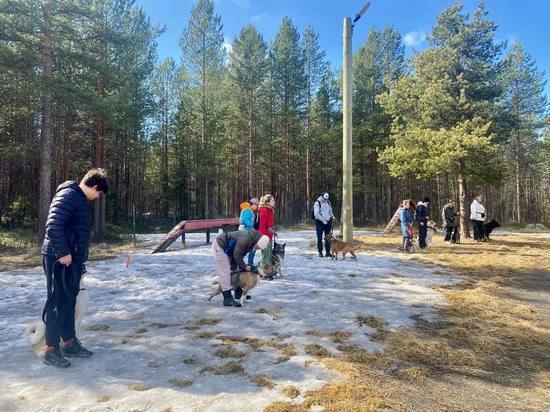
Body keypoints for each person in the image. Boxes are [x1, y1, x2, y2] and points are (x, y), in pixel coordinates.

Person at [40, 168, 109, 368]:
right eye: (99, 193)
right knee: (57, 302)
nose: (98, 197)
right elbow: (53, 225)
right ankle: (51, 350)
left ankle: (69, 342)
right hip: (57, 258)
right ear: (94, 187)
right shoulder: (69, 195)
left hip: (71, 260)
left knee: (70, 301)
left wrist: (79, 260)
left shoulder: (79, 198)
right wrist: (63, 252)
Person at [212, 229, 270, 307]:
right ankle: (227, 298)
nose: (257, 249)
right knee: (225, 271)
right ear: (258, 242)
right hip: (220, 246)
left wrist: (241, 266)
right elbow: (237, 255)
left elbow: (239, 255)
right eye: (258, 247)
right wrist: (245, 266)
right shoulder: (246, 239)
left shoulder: (252, 241)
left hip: (230, 250)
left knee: (235, 268)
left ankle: (238, 292)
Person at [239, 198, 260, 271]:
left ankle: (249, 263)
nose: (257, 207)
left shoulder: (248, 209)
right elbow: (245, 220)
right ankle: (249, 263)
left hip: (246, 231)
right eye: (257, 205)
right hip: (246, 231)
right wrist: (251, 225)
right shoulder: (248, 210)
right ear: (254, 204)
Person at [258, 194, 276, 280]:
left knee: (268, 254)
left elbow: (269, 224)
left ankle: (264, 272)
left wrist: (272, 232)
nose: (274, 202)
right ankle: (267, 273)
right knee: (266, 255)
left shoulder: (270, 210)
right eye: (272, 200)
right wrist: (265, 237)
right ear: (268, 202)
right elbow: (262, 226)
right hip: (264, 236)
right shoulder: (264, 210)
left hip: (269, 235)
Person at [313, 192, 335, 257]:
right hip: (319, 222)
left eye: (327, 199)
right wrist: (323, 220)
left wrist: (332, 216)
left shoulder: (328, 202)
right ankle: (320, 252)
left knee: (328, 237)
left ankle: (328, 252)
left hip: (327, 222)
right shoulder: (317, 203)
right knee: (319, 237)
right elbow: (316, 214)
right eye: (324, 199)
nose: (325, 200)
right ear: (322, 196)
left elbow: (330, 211)